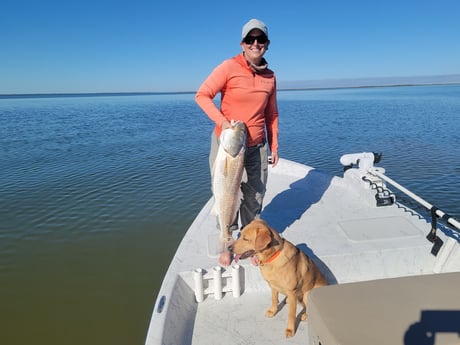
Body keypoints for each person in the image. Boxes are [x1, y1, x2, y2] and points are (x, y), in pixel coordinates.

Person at [195, 18, 279, 266]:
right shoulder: (228, 67)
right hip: (228, 146)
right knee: (226, 195)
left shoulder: (270, 77)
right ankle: (226, 241)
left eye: (260, 39)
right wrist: (223, 123)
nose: (256, 44)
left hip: (256, 146)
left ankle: (250, 245)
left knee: (254, 196)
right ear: (242, 43)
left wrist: (274, 145)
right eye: (250, 39)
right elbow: (202, 95)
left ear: (267, 44)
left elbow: (271, 114)